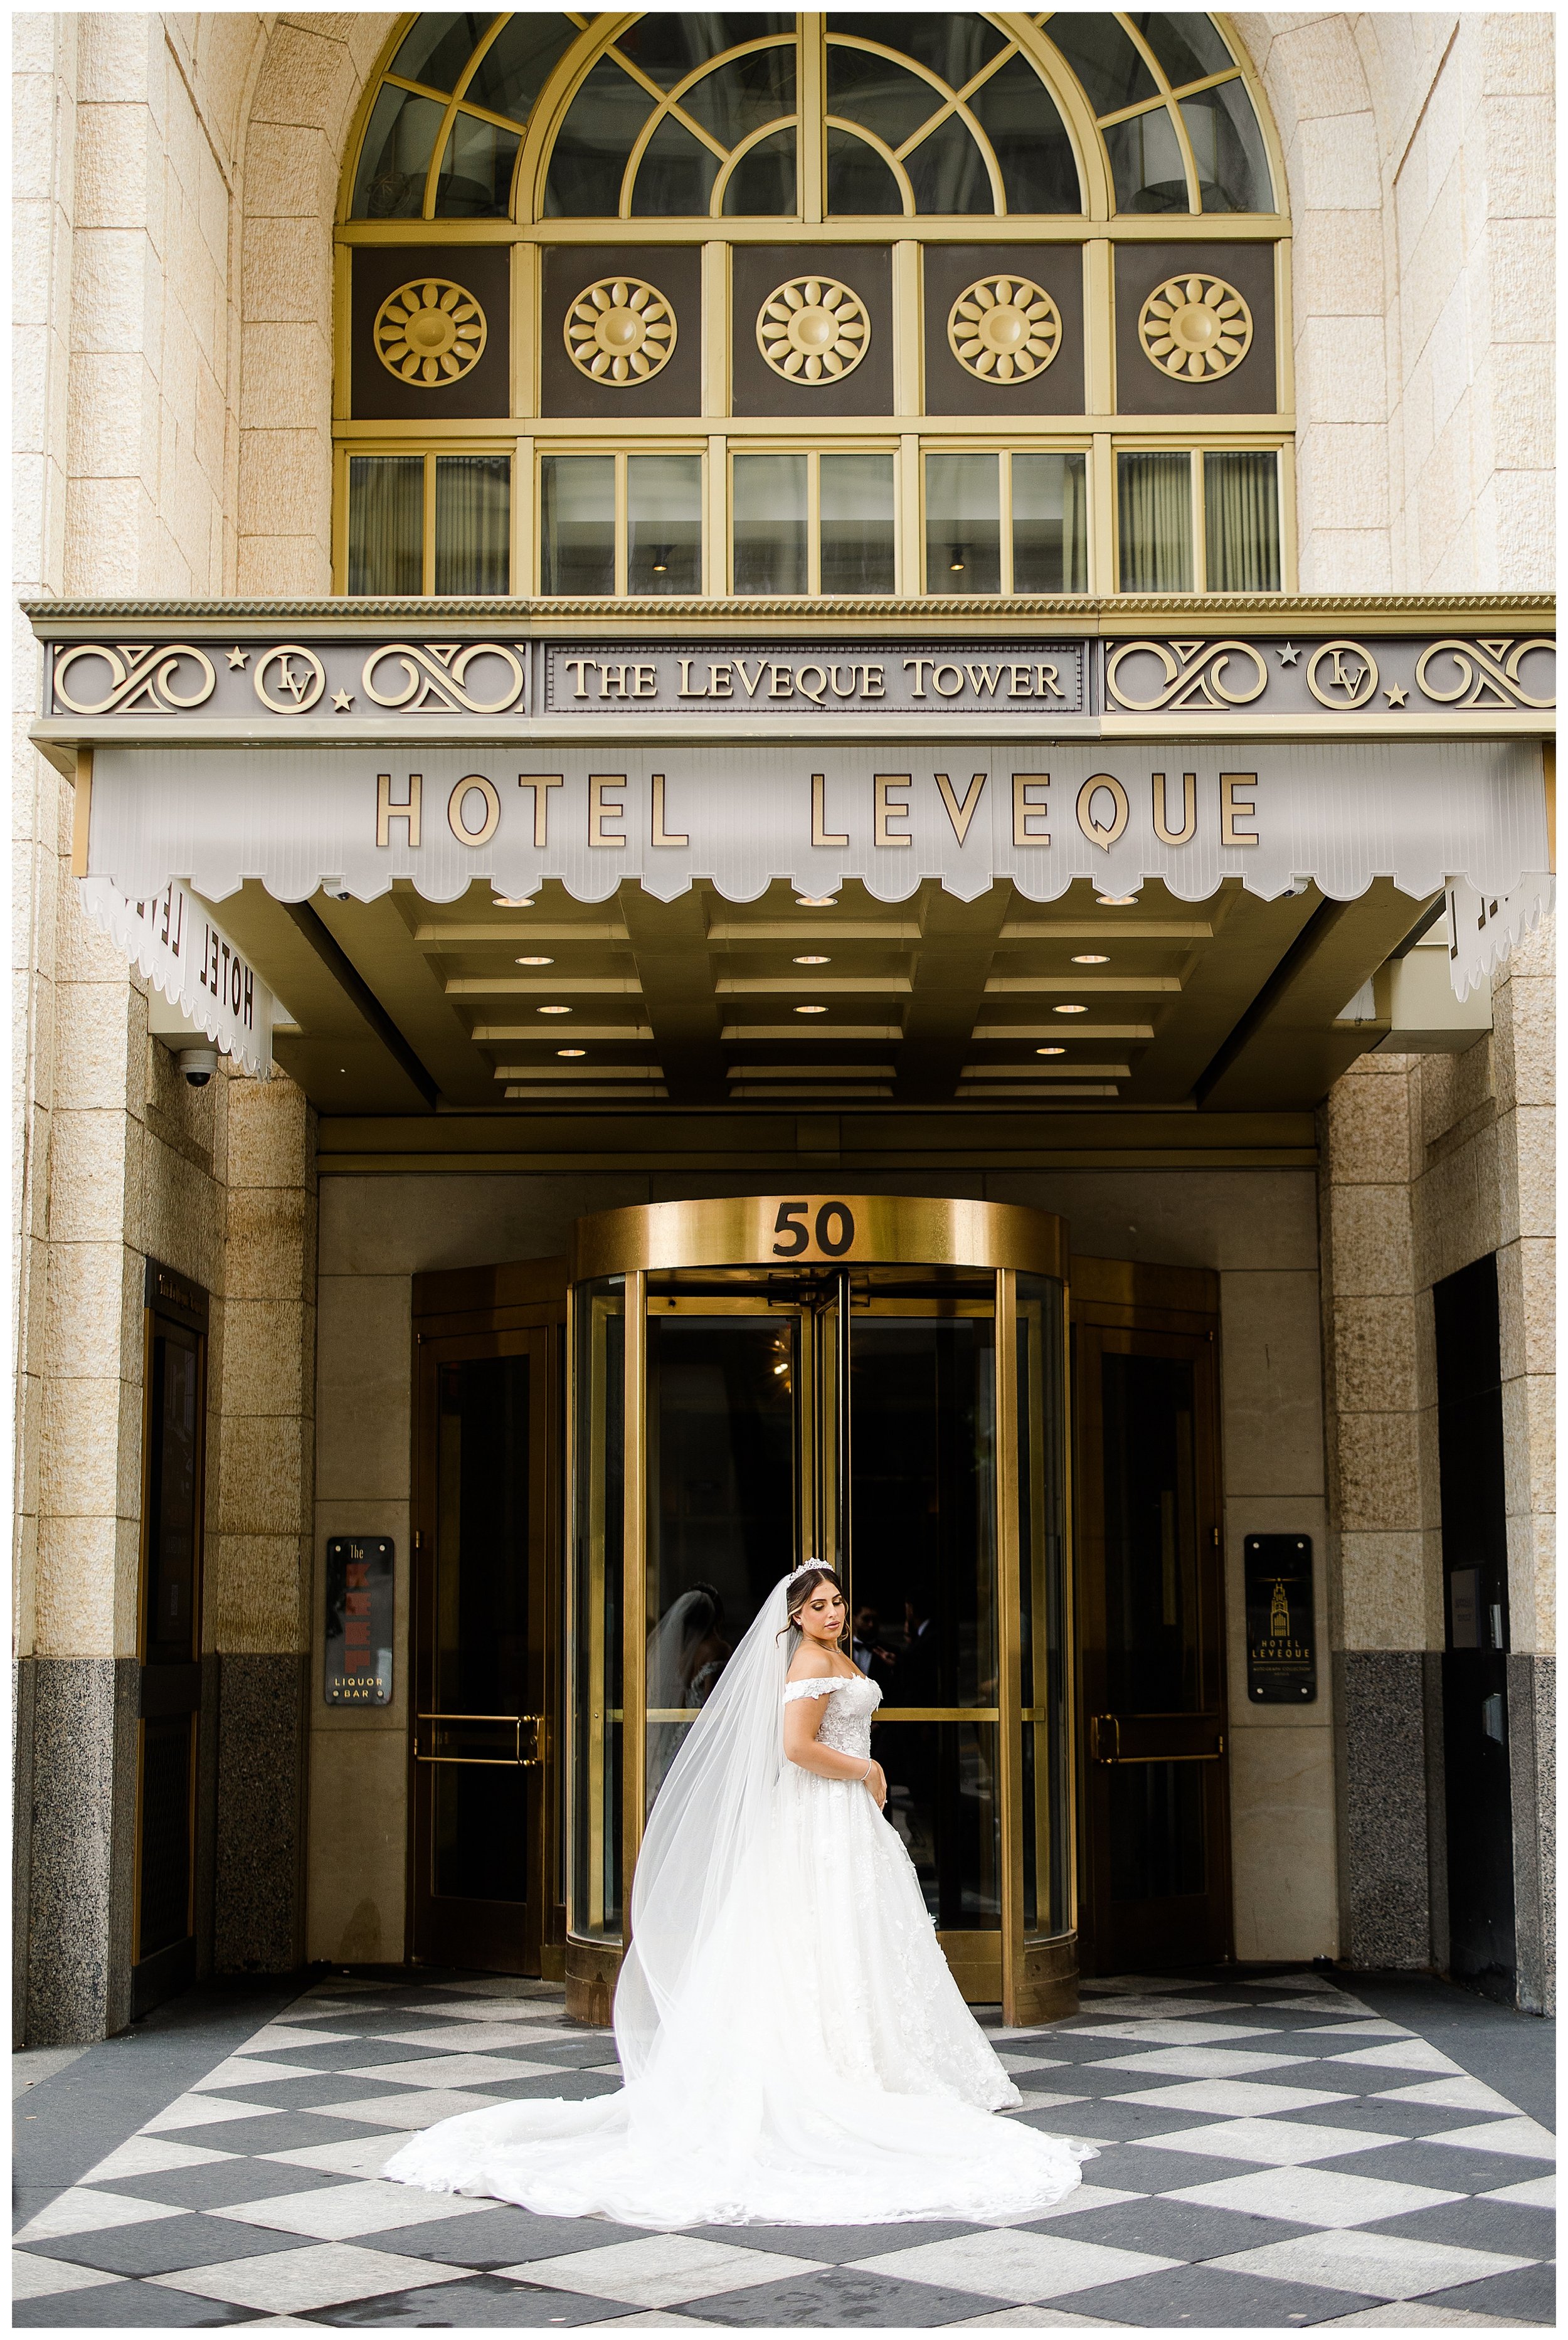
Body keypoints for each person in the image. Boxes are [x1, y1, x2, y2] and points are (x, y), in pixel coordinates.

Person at [383, 1562, 1091, 2228]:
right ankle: (829, 2071)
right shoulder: (810, 1661)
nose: (832, 1612)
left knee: (856, 1939)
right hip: (821, 1810)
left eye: (837, 1601)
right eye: (817, 1604)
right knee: (815, 1938)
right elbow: (796, 1747)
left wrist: (862, 1773)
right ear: (794, 1614)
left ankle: (875, 2058)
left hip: (842, 1819)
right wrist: (866, 1768)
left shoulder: (837, 1656)